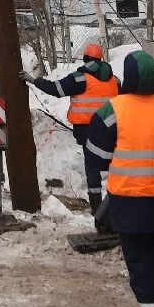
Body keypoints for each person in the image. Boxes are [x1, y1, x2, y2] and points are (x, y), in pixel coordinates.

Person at [88, 50, 154, 307]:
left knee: (142, 263)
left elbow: (97, 158)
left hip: (130, 206)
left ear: (129, 78)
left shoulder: (112, 111)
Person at [28, 41, 118, 225]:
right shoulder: (115, 80)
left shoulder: (80, 78)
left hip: (88, 131)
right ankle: (114, 208)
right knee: (114, 168)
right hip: (113, 129)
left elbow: (55, 89)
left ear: (85, 59)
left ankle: (98, 212)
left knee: (92, 169)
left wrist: (33, 80)